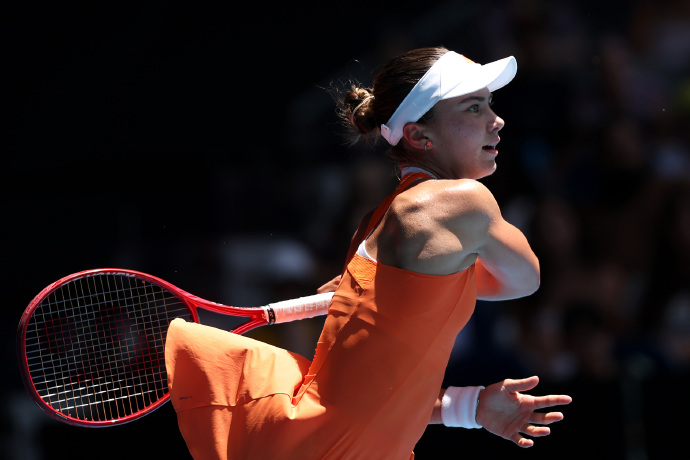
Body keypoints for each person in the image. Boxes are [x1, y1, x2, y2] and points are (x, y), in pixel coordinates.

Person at [164, 46, 572, 459]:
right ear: (419, 136)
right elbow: (525, 279)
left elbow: (366, 401)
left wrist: (470, 407)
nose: (496, 120)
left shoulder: (371, 225)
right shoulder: (462, 202)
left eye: (489, 104)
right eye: (473, 107)